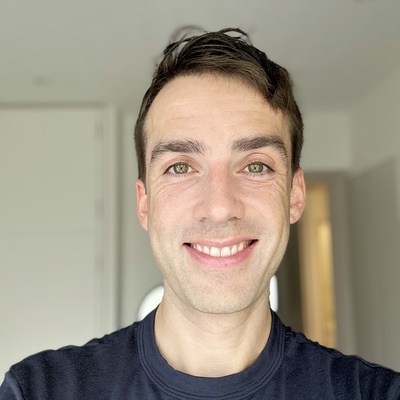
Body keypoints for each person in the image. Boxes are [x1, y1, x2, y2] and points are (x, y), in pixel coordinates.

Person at [1, 28, 399, 400]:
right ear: (145, 203)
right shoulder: (39, 390)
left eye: (255, 165)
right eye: (180, 167)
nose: (220, 207)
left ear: (295, 196)